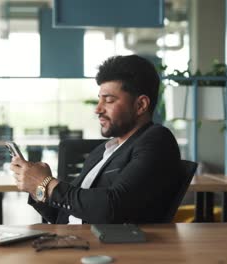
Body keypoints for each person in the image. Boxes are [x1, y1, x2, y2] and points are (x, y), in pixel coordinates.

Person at [10, 55, 182, 224]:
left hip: (109, 249)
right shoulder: (102, 151)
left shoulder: (156, 140)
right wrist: (35, 188)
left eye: (109, 100)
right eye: (99, 100)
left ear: (140, 105)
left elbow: (112, 207)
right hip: (71, 240)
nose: (97, 109)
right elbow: (61, 213)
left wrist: (45, 183)